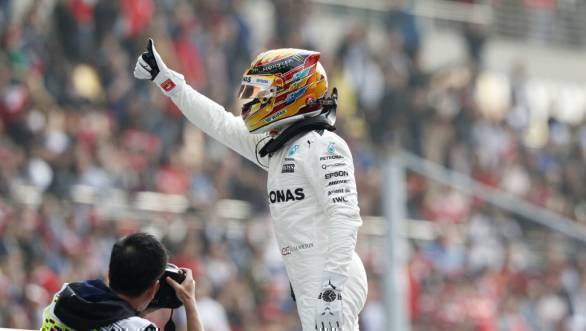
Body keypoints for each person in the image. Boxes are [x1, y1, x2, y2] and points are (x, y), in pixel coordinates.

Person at [134, 39, 368, 331]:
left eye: (262, 91)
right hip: (313, 278)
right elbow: (218, 122)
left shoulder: (325, 146)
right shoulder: (279, 146)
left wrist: (331, 289)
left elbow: (345, 218)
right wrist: (165, 78)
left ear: (292, 93)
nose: (253, 99)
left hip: (331, 279)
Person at [41, 232, 204, 331]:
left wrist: (134, 311)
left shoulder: (64, 297)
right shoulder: (138, 328)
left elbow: (102, 315)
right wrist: (189, 302)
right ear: (152, 289)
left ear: (109, 274)